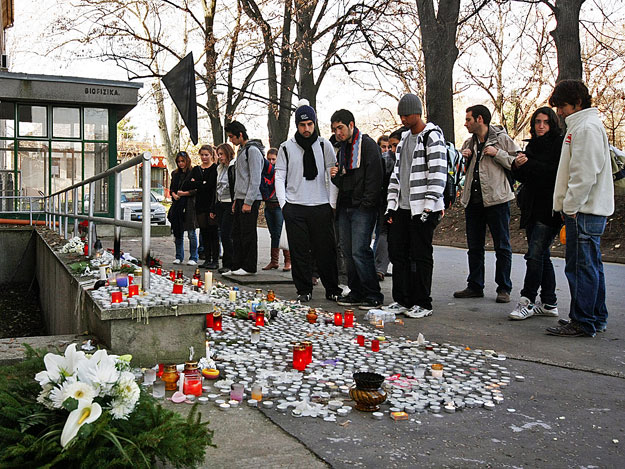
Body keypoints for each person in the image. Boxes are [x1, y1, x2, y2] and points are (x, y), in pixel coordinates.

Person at [545, 80, 614, 338]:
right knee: (591, 266)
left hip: (583, 210)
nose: (559, 112)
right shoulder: (586, 126)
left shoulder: (585, 128)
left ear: (577, 103)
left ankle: (583, 321)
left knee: (581, 267)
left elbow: (583, 174)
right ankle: (594, 317)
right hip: (587, 209)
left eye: (562, 106)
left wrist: (570, 206)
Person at [382, 94, 447, 319]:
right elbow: (396, 176)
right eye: (401, 115)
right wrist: (391, 205)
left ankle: (423, 302)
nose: (403, 119)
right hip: (402, 207)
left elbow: (438, 175)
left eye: (407, 115)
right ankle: (402, 299)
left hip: (423, 208)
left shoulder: (432, 137)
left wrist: (429, 207)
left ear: (417, 113)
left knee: (421, 255)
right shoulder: (403, 141)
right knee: (398, 253)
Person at [275, 100, 342, 303]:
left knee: (326, 251)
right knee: (299, 252)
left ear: (314, 123)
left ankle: (332, 288)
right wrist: (283, 204)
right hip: (295, 206)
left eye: (310, 124)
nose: (306, 129)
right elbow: (279, 176)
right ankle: (303, 289)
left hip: (321, 205)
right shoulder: (286, 148)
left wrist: (332, 203)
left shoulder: (324, 145)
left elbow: (333, 174)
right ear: (297, 125)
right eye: (302, 125)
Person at [453, 105, 519, 303]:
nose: (465, 123)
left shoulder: (501, 139)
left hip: (497, 200)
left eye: (468, 120)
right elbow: (460, 171)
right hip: (473, 202)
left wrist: (497, 153)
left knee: (502, 246)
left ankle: (504, 288)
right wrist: (462, 157)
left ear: (480, 119)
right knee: (474, 246)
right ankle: (475, 285)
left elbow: (517, 161)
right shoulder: (468, 142)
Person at [508, 108, 564, 320]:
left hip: (549, 209)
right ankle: (549, 302)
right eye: (538, 122)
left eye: (546, 122)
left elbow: (553, 173)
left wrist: (529, 164)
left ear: (553, 124)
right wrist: (518, 166)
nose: (541, 126)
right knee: (542, 256)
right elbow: (524, 176)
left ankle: (527, 299)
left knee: (534, 256)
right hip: (531, 208)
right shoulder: (532, 145)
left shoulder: (558, 144)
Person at [329, 110, 384, 310]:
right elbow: (344, 181)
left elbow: (375, 176)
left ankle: (372, 293)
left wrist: (367, 204)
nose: (337, 133)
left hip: (363, 206)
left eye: (340, 128)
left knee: (360, 250)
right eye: (334, 129)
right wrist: (335, 176)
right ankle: (356, 291)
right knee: (348, 251)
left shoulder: (367, 145)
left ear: (351, 125)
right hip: (346, 205)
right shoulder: (341, 149)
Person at [224, 121, 264, 276]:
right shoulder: (242, 150)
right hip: (240, 197)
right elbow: (240, 178)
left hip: (250, 198)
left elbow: (255, 178)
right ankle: (236, 265)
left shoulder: (252, 150)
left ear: (240, 134)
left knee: (248, 233)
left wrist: (248, 201)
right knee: (237, 233)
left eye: (232, 136)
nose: (230, 140)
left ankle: (249, 266)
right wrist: (236, 200)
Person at [374, 127, 403, 280]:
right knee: (383, 233)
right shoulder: (386, 160)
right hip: (386, 202)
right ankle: (379, 267)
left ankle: (380, 267)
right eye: (388, 146)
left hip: (400, 203)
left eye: (394, 145)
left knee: (386, 234)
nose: (391, 149)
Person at [261, 148, 291, 272]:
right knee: (273, 234)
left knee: (281, 234)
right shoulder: (265, 173)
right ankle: (274, 261)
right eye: (269, 159)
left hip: (279, 206)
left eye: (274, 159)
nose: (271, 162)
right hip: (269, 206)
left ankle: (288, 260)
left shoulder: (282, 173)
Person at [190, 145, 219, 269]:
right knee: (204, 232)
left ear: (211, 155)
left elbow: (211, 186)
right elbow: (188, 184)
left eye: (206, 155)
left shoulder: (215, 169)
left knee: (213, 233)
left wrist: (199, 184)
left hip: (211, 203)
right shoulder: (197, 169)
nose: (204, 157)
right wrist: (201, 183)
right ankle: (207, 258)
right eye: (202, 155)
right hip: (200, 204)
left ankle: (215, 259)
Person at [168, 151, 198, 265]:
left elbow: (196, 189)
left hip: (189, 205)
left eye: (182, 161)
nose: (181, 164)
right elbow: (172, 189)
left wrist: (184, 193)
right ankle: (179, 256)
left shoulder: (193, 172)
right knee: (178, 232)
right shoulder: (175, 174)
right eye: (179, 161)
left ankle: (193, 257)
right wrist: (174, 194)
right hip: (177, 205)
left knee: (191, 232)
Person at [215, 143, 236, 274]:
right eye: (218, 155)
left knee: (227, 233)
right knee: (222, 232)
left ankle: (230, 262)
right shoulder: (220, 168)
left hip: (230, 202)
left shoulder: (233, 166)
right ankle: (226, 262)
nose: (220, 157)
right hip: (221, 202)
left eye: (221, 154)